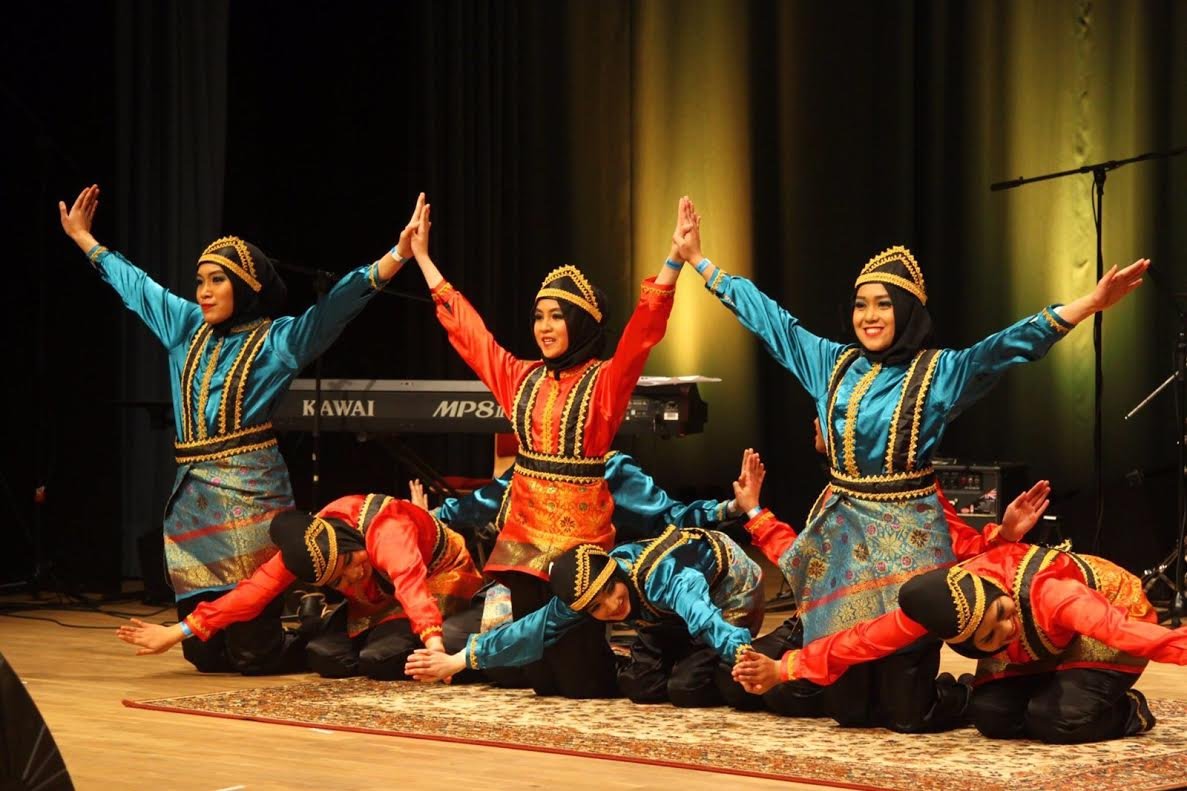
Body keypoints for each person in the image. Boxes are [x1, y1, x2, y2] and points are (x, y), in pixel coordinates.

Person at [676, 196, 1148, 729]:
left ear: (905, 311)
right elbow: (771, 322)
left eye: (883, 304)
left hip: (910, 544)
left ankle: (965, 696)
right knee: (850, 711)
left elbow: (1003, 348)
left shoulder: (938, 373)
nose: (869, 316)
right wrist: (699, 262)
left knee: (906, 712)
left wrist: (1087, 304)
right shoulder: (832, 364)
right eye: (860, 305)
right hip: (846, 543)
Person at [60, 185, 426, 673]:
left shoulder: (276, 342)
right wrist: (84, 238)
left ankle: (321, 630)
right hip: (193, 508)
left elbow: (335, 309)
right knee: (204, 656)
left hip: (251, 498)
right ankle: (297, 623)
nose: (204, 291)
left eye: (217, 280)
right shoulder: (184, 327)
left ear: (245, 287)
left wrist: (397, 255)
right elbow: (137, 286)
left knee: (253, 656)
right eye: (200, 281)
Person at [402, 196, 688, 697]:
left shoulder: (603, 384)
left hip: (578, 548)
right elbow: (471, 336)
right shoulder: (521, 378)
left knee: (581, 683)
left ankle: (650, 656)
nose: (544, 327)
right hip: (523, 544)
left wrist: (673, 263)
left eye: (557, 317)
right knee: (540, 680)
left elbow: (642, 334)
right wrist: (423, 259)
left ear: (580, 323)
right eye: (538, 317)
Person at [734, 532, 1174, 743]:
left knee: (1055, 720)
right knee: (991, 717)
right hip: (1035, 648)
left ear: (998, 595)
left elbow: (1126, 632)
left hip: (1107, 628)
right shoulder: (942, 608)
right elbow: (861, 640)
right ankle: (1057, 689)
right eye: (989, 637)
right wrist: (782, 668)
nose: (1006, 629)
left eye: (1001, 615)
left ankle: (1130, 711)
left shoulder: (1052, 595)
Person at [731, 447, 1048, 728]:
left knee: (908, 715)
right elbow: (803, 561)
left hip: (902, 623)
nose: (818, 421)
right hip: (840, 619)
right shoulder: (835, 493)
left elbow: (957, 546)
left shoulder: (909, 486)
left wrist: (1004, 535)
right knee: (839, 710)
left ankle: (964, 690)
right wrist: (753, 510)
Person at [116, 494, 483, 681]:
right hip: (377, 600)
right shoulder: (312, 544)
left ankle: (453, 640)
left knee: (379, 659)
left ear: (350, 544)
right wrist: (175, 633)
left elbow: (411, 587)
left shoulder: (388, 531)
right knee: (324, 657)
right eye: (338, 580)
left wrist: (436, 651)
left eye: (350, 564)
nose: (352, 576)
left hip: (436, 582)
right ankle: (330, 625)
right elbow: (253, 593)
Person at [405, 526, 764, 707]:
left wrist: (742, 655)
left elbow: (704, 618)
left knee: (685, 688)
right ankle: (690, 655)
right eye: (596, 608)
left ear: (616, 574)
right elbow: (531, 629)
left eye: (610, 592)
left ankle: (727, 658)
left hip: (728, 600)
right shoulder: (589, 591)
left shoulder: (665, 577)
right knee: (639, 686)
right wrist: (456, 661)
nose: (611, 607)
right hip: (665, 618)